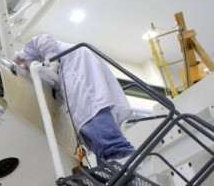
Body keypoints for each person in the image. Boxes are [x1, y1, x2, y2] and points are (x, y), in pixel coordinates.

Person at [16, 34, 135, 163]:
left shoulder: (28, 52)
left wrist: (52, 64)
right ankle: (109, 164)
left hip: (77, 69)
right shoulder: (38, 68)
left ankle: (119, 155)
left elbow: (42, 40)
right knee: (91, 115)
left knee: (91, 112)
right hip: (79, 72)